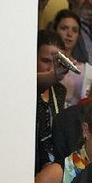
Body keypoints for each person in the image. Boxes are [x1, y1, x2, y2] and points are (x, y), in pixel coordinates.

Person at [35, 30, 68, 174]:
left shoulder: (59, 91)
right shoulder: (24, 88)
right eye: (45, 61)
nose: (50, 68)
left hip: (53, 165)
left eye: (56, 63)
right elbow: (32, 82)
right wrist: (54, 75)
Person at [51, 9, 92, 107]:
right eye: (64, 28)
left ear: (78, 36)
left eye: (74, 30)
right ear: (55, 30)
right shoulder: (45, 65)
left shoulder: (87, 70)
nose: (69, 34)